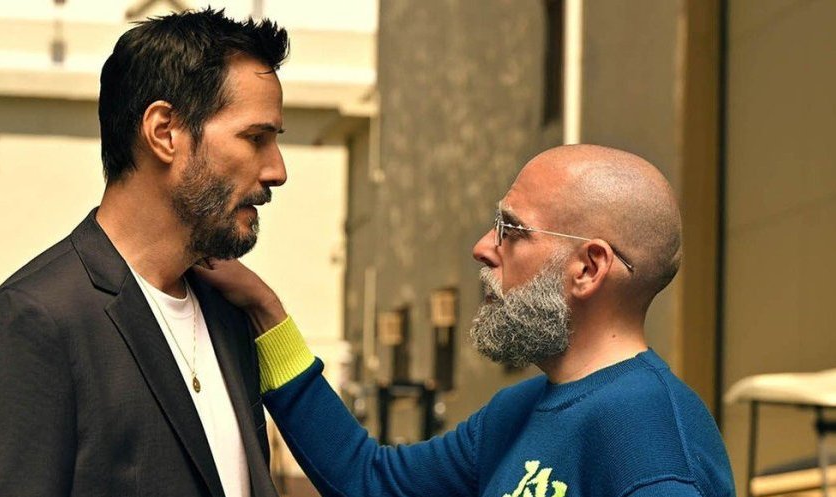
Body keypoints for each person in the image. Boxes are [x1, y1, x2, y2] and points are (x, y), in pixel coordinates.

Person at [199, 144, 736, 497]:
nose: (483, 247)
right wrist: (266, 313)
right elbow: (369, 481)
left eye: (512, 230)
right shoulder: (515, 413)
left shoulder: (656, 447)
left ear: (588, 268)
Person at [0, 9, 289, 497]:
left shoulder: (228, 315)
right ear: (164, 131)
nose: (277, 171)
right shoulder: (30, 326)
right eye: (255, 138)